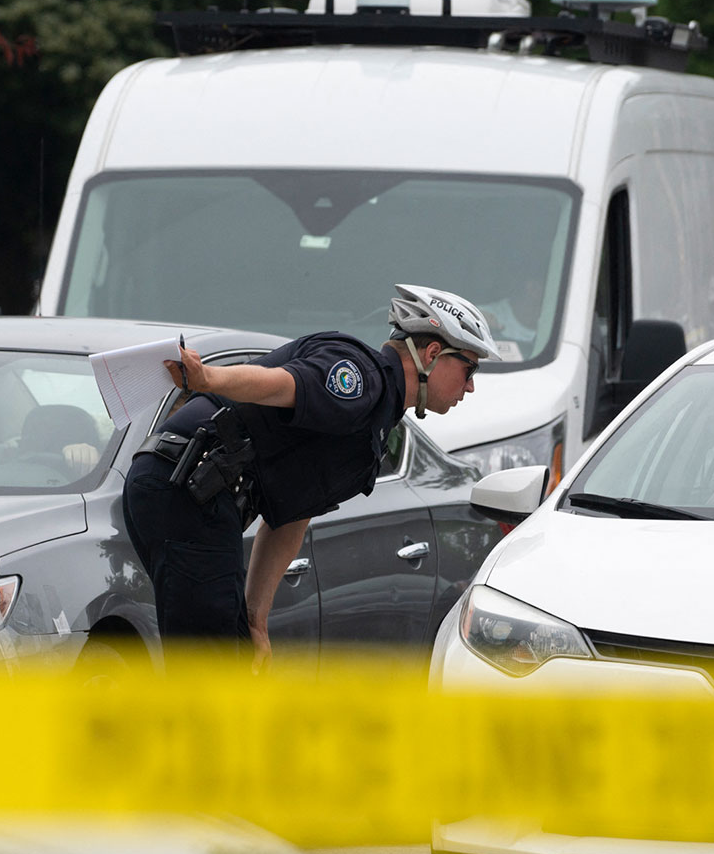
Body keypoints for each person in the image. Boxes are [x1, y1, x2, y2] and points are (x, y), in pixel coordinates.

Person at [122, 284, 497, 672]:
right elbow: (284, 385)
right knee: (211, 671)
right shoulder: (360, 376)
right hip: (186, 489)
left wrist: (257, 620)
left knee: (234, 658)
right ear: (432, 355)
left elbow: (292, 515)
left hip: (194, 496)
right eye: (469, 369)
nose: (470, 386)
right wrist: (208, 378)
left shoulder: (378, 416)